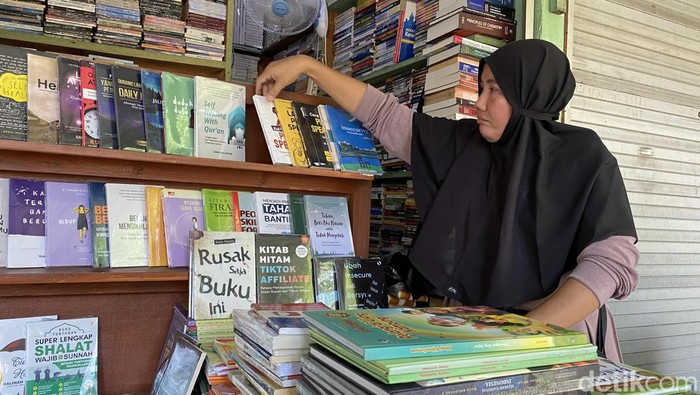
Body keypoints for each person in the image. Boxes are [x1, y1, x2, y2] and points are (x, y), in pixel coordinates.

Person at [255, 39, 639, 362]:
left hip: (558, 340)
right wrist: (308, 66)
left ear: (529, 96)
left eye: (496, 91)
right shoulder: (463, 145)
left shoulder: (584, 157)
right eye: (480, 88)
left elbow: (610, 265)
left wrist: (516, 338)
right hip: (478, 331)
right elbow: (383, 114)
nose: (479, 104)